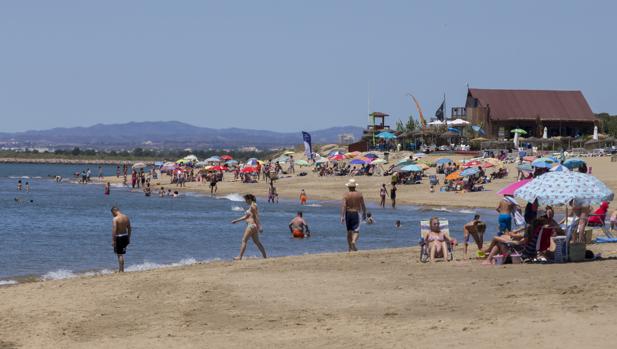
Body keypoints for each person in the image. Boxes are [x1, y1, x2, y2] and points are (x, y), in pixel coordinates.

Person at [231, 194, 267, 260]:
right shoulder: (252, 206)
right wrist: (236, 220)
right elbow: (246, 217)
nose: (245, 201)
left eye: (246, 200)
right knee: (257, 242)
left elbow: (256, 216)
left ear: (249, 199)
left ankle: (240, 257)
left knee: (244, 240)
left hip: (251, 226)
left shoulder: (253, 206)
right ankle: (265, 257)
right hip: (254, 226)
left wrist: (260, 227)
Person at [340, 179, 367, 252]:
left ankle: (349, 248)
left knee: (349, 231)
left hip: (348, 213)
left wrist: (342, 216)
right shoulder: (359, 194)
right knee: (356, 231)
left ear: (348, 186)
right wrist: (364, 213)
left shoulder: (346, 194)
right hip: (356, 213)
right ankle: (354, 241)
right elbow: (363, 205)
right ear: (355, 186)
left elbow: (344, 206)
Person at [111, 207, 131, 272]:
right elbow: (129, 228)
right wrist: (128, 238)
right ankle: (122, 269)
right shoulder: (126, 217)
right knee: (122, 254)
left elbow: (114, 230)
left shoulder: (115, 219)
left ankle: (121, 270)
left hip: (119, 237)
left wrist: (113, 240)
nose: (113, 215)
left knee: (119, 254)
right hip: (125, 236)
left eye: (112, 213)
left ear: (114, 211)